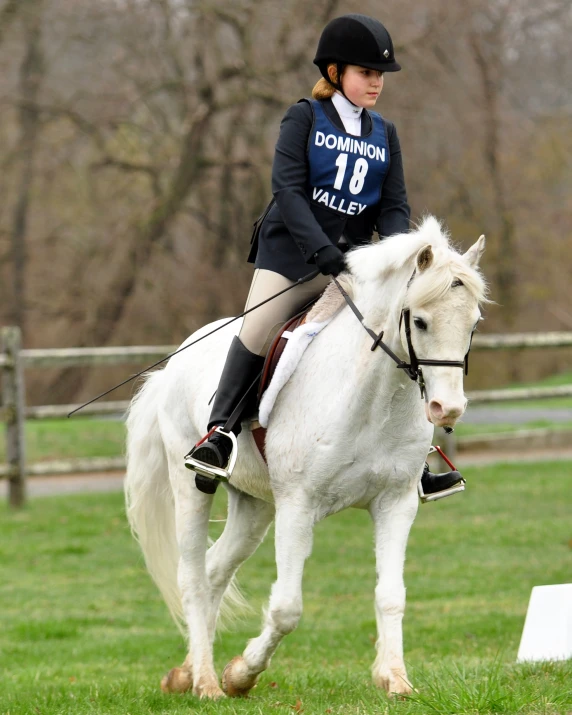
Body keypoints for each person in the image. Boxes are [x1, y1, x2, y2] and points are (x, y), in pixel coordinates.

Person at [184, 13, 464, 500]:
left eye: (379, 75)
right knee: (259, 329)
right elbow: (287, 191)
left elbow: (393, 206)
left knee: (398, 337)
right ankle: (219, 435)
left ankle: (414, 457)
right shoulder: (304, 118)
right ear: (336, 73)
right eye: (366, 73)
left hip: (357, 266)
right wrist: (322, 252)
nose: (376, 82)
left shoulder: (385, 132)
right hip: (291, 258)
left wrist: (394, 259)